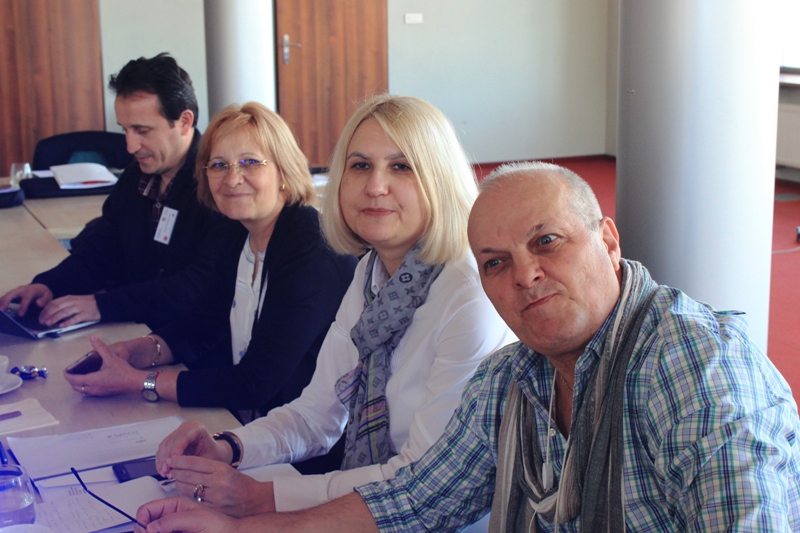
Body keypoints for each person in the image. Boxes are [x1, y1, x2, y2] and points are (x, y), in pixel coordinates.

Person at [136, 161, 800, 533]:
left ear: (608, 240)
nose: (526, 276)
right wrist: (240, 527)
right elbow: (416, 498)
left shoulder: (694, 366)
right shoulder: (511, 377)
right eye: (496, 262)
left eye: (547, 242)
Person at [142, 94, 515, 521]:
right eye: (360, 165)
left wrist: (265, 497)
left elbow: (420, 481)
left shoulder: (469, 295)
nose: (375, 186)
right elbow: (317, 415)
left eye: (401, 166)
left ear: (440, 179)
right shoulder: (371, 273)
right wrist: (229, 446)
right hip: (366, 503)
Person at [62, 101, 357, 420]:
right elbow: (202, 325)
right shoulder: (238, 231)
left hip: (309, 441)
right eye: (218, 165)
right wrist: (136, 351)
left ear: (284, 171)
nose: (232, 179)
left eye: (249, 162)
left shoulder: (312, 250)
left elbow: (255, 383)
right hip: (253, 426)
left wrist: (138, 382)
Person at [0, 53, 233, 330]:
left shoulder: (219, 184)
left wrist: (102, 305)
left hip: (186, 341)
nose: (130, 146)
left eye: (142, 131)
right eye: (125, 130)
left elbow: (199, 285)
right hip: (135, 328)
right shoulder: (135, 176)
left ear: (184, 122)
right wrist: (50, 285)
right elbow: (102, 251)